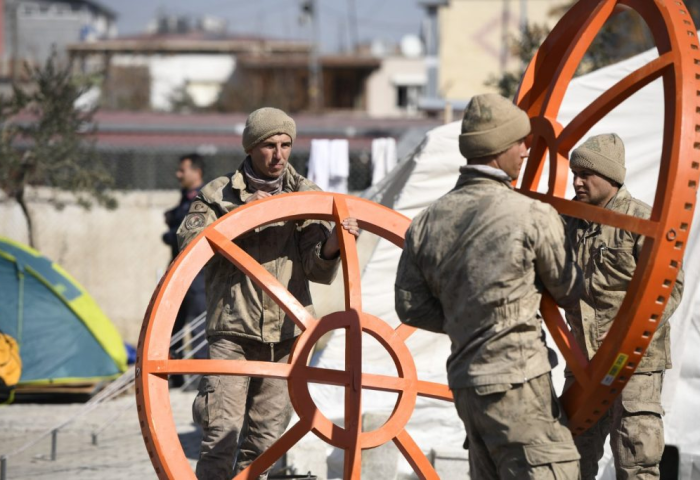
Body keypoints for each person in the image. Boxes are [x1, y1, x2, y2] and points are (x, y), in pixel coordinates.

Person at [394, 93, 583, 479]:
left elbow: (410, 306)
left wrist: (467, 316)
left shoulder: (427, 221)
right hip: (519, 382)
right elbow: (567, 288)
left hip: (467, 386)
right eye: (520, 142)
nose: (527, 152)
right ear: (498, 149)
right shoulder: (531, 214)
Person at [177, 107, 359, 480]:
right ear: (251, 147)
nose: (279, 155)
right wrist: (242, 220)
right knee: (219, 437)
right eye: (269, 145)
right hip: (232, 334)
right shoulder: (218, 194)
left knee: (265, 444)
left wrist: (334, 246)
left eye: (286, 144)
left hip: (286, 337)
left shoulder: (308, 196)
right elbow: (189, 248)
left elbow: (316, 268)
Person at [564, 133, 684, 479]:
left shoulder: (642, 223)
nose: (577, 181)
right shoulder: (569, 220)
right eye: (575, 173)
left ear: (612, 178)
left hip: (633, 363)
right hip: (582, 361)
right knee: (569, 459)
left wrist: (630, 338)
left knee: (637, 458)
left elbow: (669, 288)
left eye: (586, 174)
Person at [163, 154, 208, 385]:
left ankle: (202, 380)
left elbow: (188, 234)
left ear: (196, 172)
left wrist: (168, 233)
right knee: (173, 326)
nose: (178, 174)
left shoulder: (202, 199)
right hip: (179, 275)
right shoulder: (185, 197)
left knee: (199, 327)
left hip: (197, 276)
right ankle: (175, 376)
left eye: (183, 170)